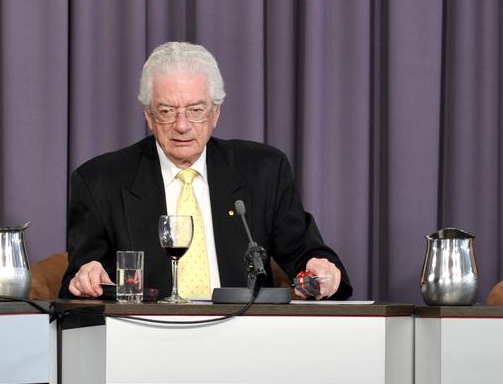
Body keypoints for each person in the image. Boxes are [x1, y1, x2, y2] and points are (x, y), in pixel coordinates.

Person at [59, 42, 352, 300]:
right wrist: (87, 277)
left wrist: (320, 270)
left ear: (216, 114)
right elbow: (78, 282)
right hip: (146, 338)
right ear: (148, 116)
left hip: (244, 338)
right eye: (166, 111)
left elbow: (305, 253)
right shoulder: (100, 181)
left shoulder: (263, 171)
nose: (182, 125)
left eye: (196, 110)